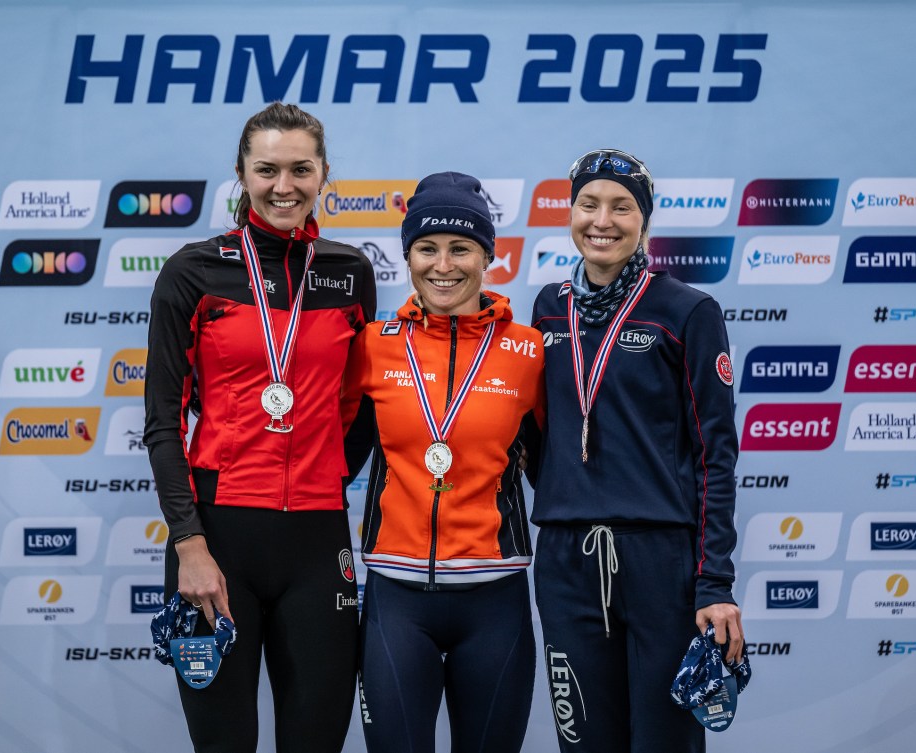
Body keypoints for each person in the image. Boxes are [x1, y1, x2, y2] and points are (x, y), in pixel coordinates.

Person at [144, 102, 376, 753]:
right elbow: (162, 420)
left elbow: (356, 405)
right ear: (240, 174)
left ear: (324, 172)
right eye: (266, 169)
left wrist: (322, 475)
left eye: (300, 169)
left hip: (315, 540)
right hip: (217, 545)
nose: (284, 186)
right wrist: (189, 542)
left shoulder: (348, 272)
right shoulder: (192, 272)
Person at [530, 148, 745, 753]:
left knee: (663, 743)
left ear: (644, 221)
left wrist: (715, 583)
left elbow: (715, 457)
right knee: (584, 744)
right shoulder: (549, 311)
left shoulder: (687, 311)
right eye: (589, 204)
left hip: (660, 562)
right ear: (570, 212)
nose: (603, 220)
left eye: (622, 207)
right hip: (567, 561)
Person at [340, 172, 544, 753]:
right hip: (396, 599)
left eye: (462, 248)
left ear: (488, 256)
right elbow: (335, 456)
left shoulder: (528, 351)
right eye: (427, 248)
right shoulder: (373, 344)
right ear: (408, 256)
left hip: (496, 597)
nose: (443, 264)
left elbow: (555, 470)